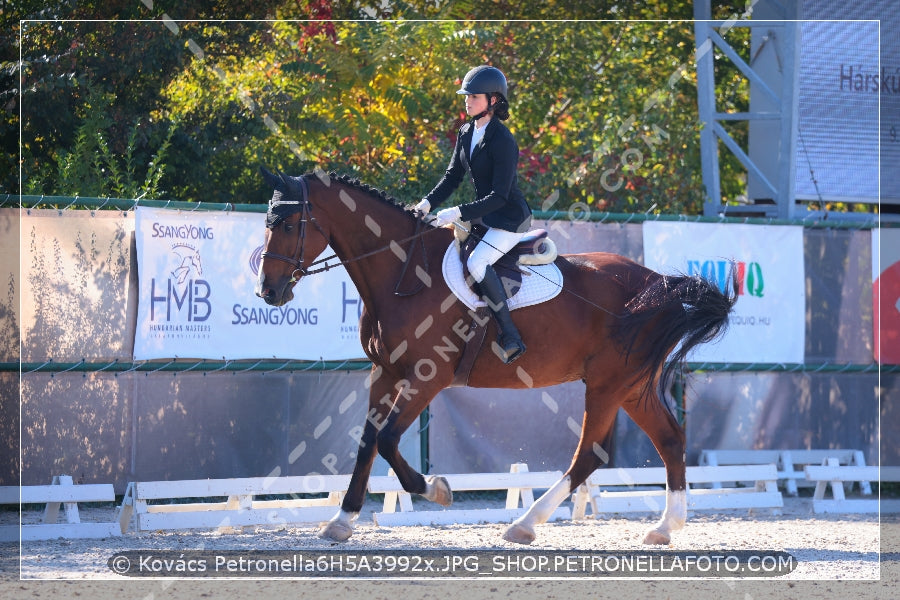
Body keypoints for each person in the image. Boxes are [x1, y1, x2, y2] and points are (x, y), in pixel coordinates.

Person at [415, 65, 532, 364]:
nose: (467, 101)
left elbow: (500, 196)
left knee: (477, 262)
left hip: (508, 219)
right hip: (484, 215)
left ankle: (510, 335)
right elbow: (453, 176)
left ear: (493, 101)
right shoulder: (466, 132)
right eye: (466, 96)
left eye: (474, 96)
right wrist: (427, 202)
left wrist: (459, 211)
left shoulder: (503, 140)